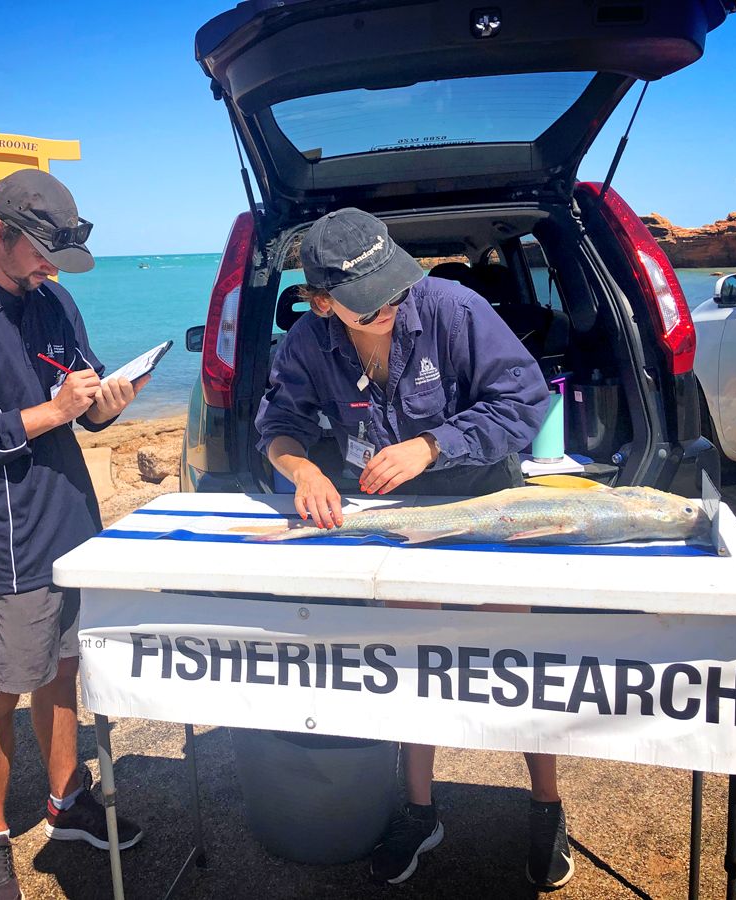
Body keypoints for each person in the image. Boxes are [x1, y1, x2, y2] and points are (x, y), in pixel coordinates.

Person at [255, 208, 574, 890]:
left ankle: (546, 806)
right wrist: (304, 470)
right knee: (412, 660)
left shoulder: (454, 307)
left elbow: (524, 402)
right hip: (393, 523)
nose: (392, 306)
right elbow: (277, 426)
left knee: (520, 662)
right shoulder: (306, 345)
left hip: (484, 506)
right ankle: (419, 809)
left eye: (395, 288)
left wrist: (434, 445)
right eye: (370, 301)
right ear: (320, 302)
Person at [0, 169, 147, 900]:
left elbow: (83, 400)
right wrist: (50, 412)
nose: (49, 269)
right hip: (3, 535)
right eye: (39, 253)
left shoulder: (53, 301)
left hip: (70, 518)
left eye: (56, 258)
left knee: (66, 669)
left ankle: (66, 803)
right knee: (1, 687)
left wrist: (107, 403)